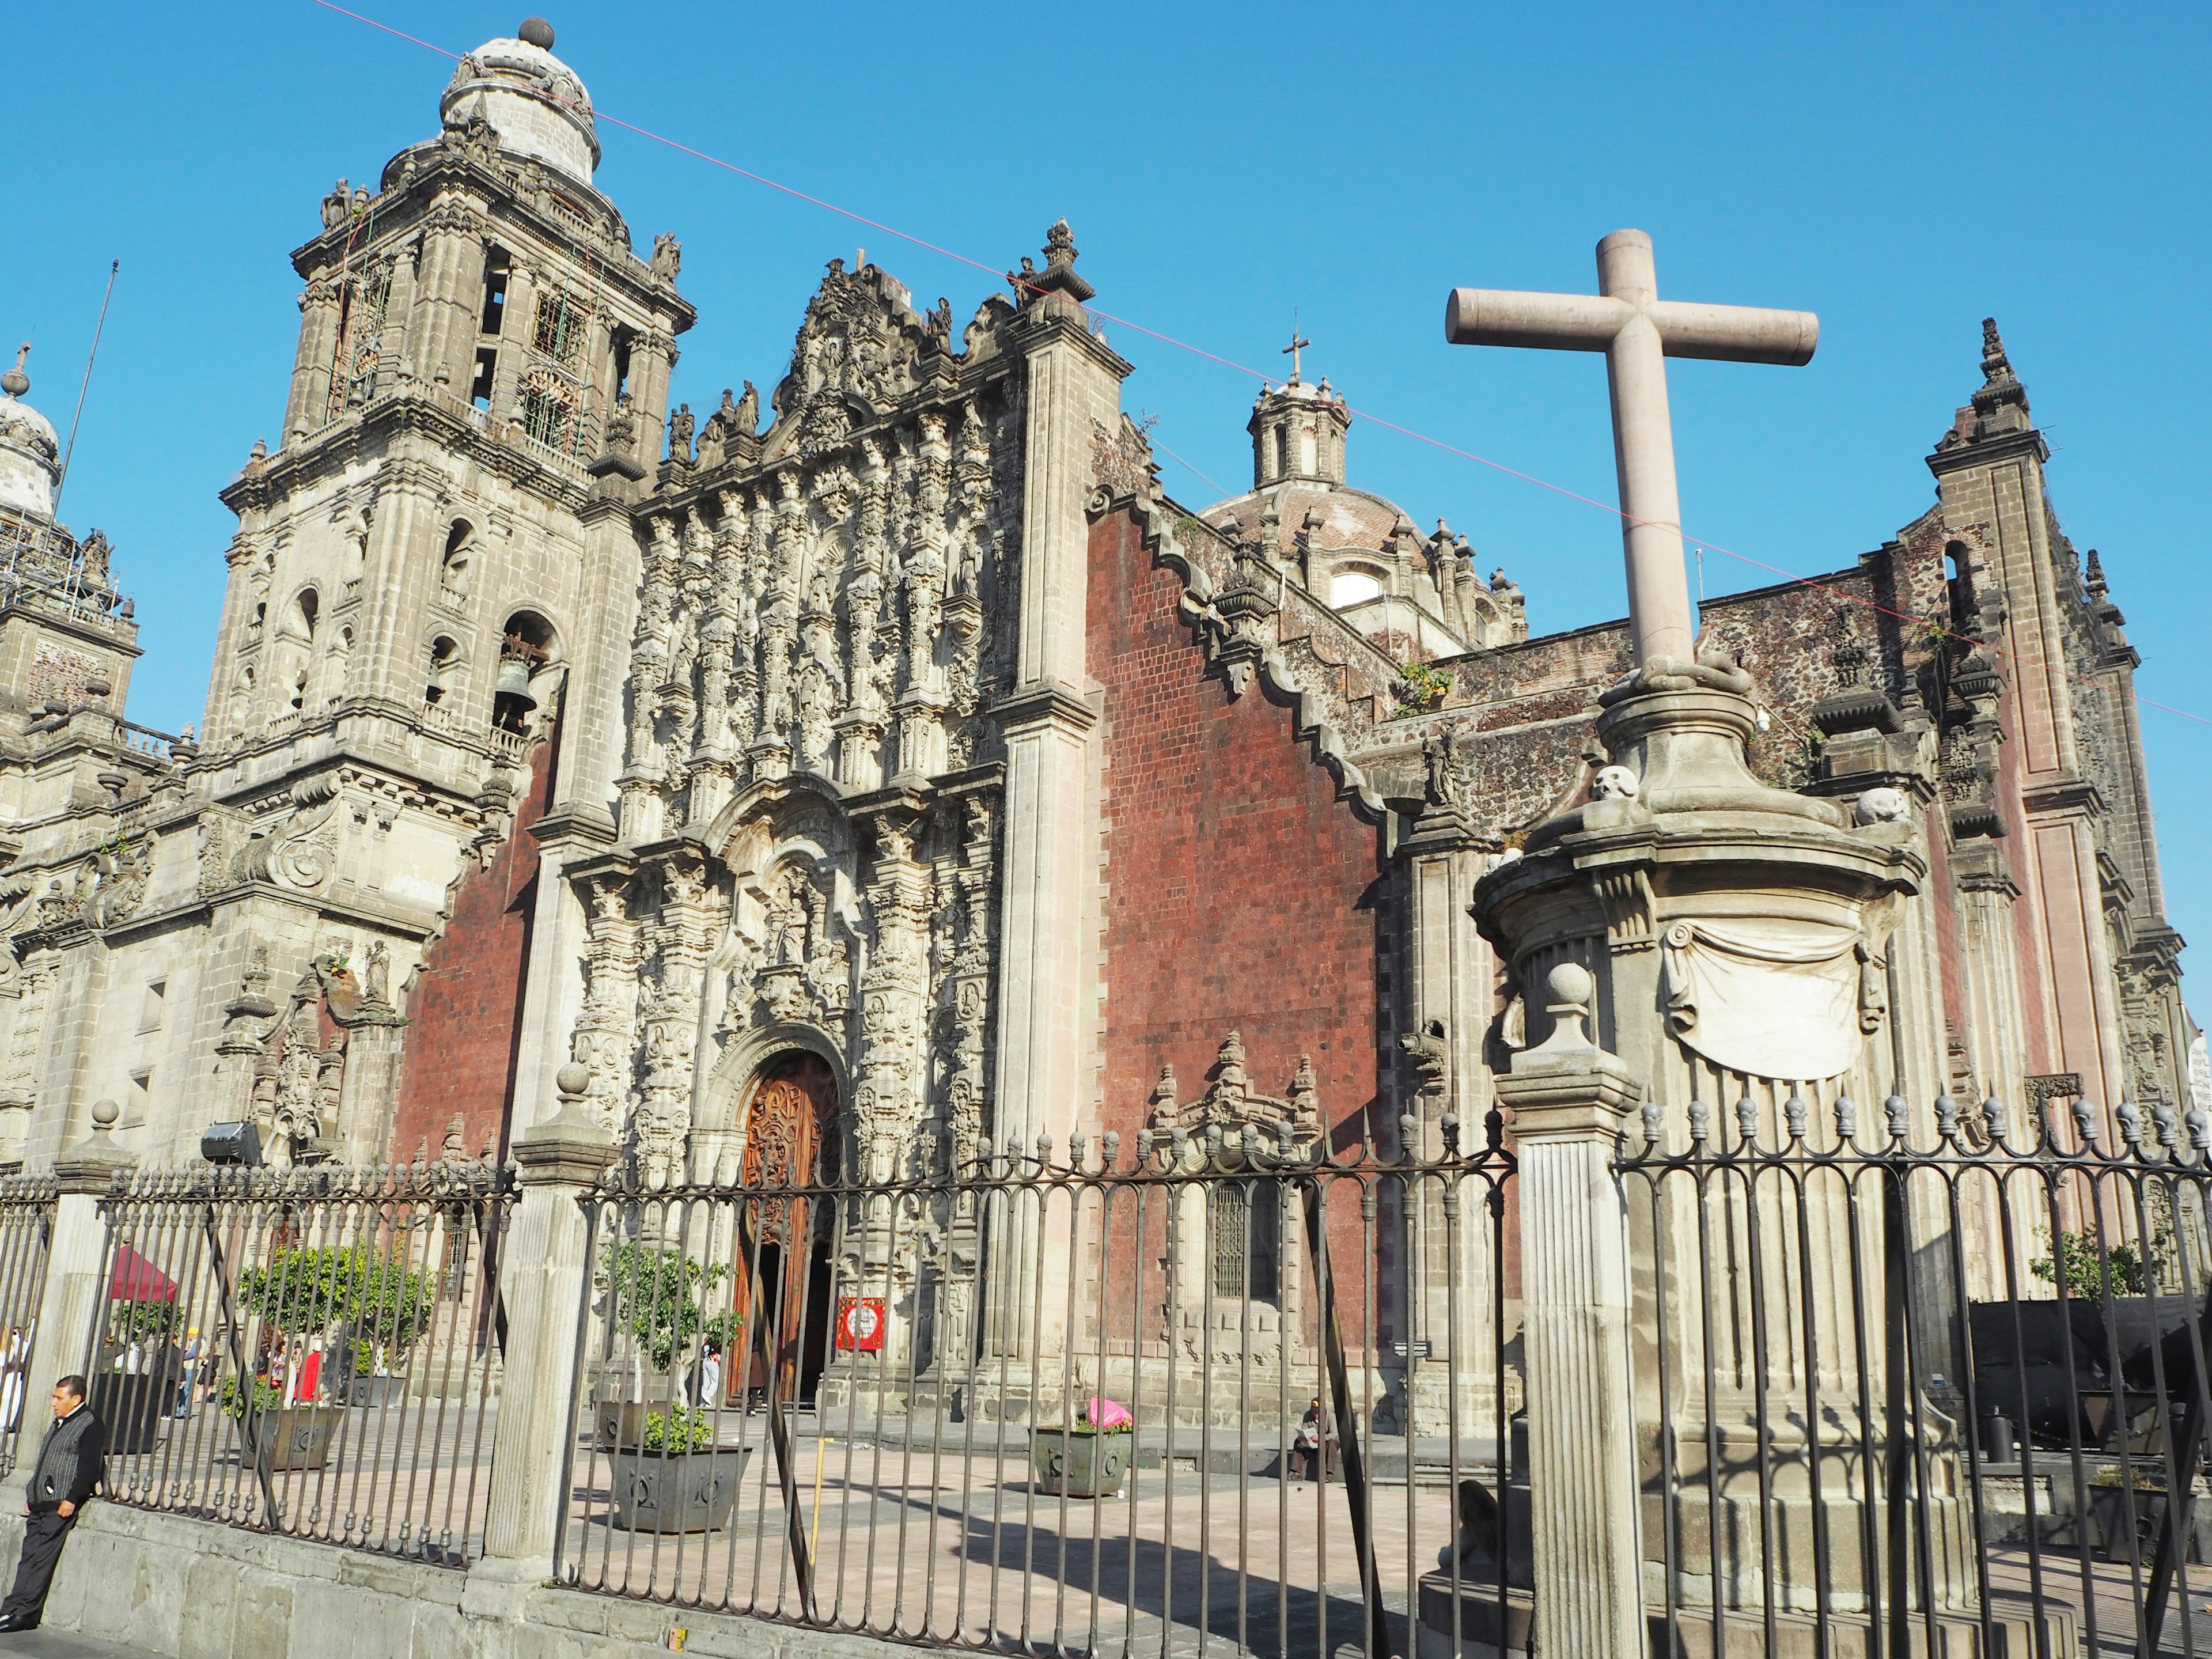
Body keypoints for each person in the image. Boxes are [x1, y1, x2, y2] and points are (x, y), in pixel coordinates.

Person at [0, 1376, 105, 1631]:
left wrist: (72, 1498)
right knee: (29, 1556)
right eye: (53, 1397)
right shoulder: (60, 1422)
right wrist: (32, 1493)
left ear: (76, 1399)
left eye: (59, 1398)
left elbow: (89, 1467)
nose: (53, 1403)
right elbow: (47, 1459)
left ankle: (26, 1613)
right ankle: (11, 1608)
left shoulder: (89, 1423)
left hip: (60, 1504)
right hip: (41, 1502)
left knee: (42, 1559)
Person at [695, 1340, 722, 1411]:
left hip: (705, 1361)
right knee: (716, 1382)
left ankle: (703, 1402)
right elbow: (719, 1358)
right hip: (713, 1361)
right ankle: (707, 1396)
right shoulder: (717, 1345)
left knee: (706, 1383)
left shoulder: (706, 1345)